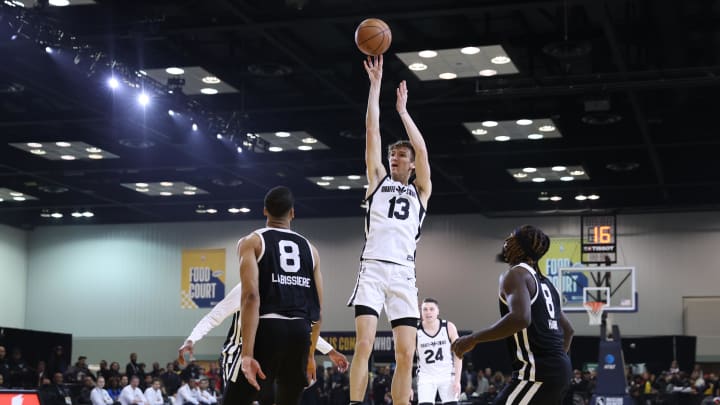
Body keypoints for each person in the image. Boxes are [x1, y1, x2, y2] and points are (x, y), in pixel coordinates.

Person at [347, 54, 432, 405]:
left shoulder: (421, 191)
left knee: (406, 355)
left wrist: (403, 111)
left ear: (411, 165)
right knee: (364, 344)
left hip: (403, 274)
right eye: (391, 154)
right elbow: (371, 131)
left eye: (400, 155)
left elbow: (424, 149)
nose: (393, 157)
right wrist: (376, 86)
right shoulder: (377, 181)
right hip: (373, 267)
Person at [452, 225, 574, 404]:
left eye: (511, 238)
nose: (506, 242)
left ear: (518, 246)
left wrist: (473, 339)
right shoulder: (547, 283)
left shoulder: (515, 275)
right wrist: (555, 364)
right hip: (561, 371)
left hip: (537, 374)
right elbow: (568, 330)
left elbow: (520, 319)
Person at [231, 186, 324, 405]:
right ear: (292, 213)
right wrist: (310, 355)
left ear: (265, 211)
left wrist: (247, 353)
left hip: (268, 328)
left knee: (236, 399)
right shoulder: (311, 249)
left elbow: (251, 297)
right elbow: (317, 307)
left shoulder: (252, 242)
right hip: (300, 332)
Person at [177, 282, 349, 386]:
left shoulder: (285, 293)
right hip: (237, 355)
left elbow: (300, 329)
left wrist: (330, 351)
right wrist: (191, 339)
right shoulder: (245, 288)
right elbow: (214, 316)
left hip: (267, 358)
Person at [416, 298, 462, 405]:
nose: (428, 312)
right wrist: (407, 386)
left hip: (447, 375)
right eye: (425, 309)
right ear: (421, 312)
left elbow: (458, 354)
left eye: (431, 309)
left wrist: (457, 380)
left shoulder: (448, 327)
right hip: (425, 376)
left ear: (438, 311)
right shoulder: (415, 331)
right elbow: (407, 359)